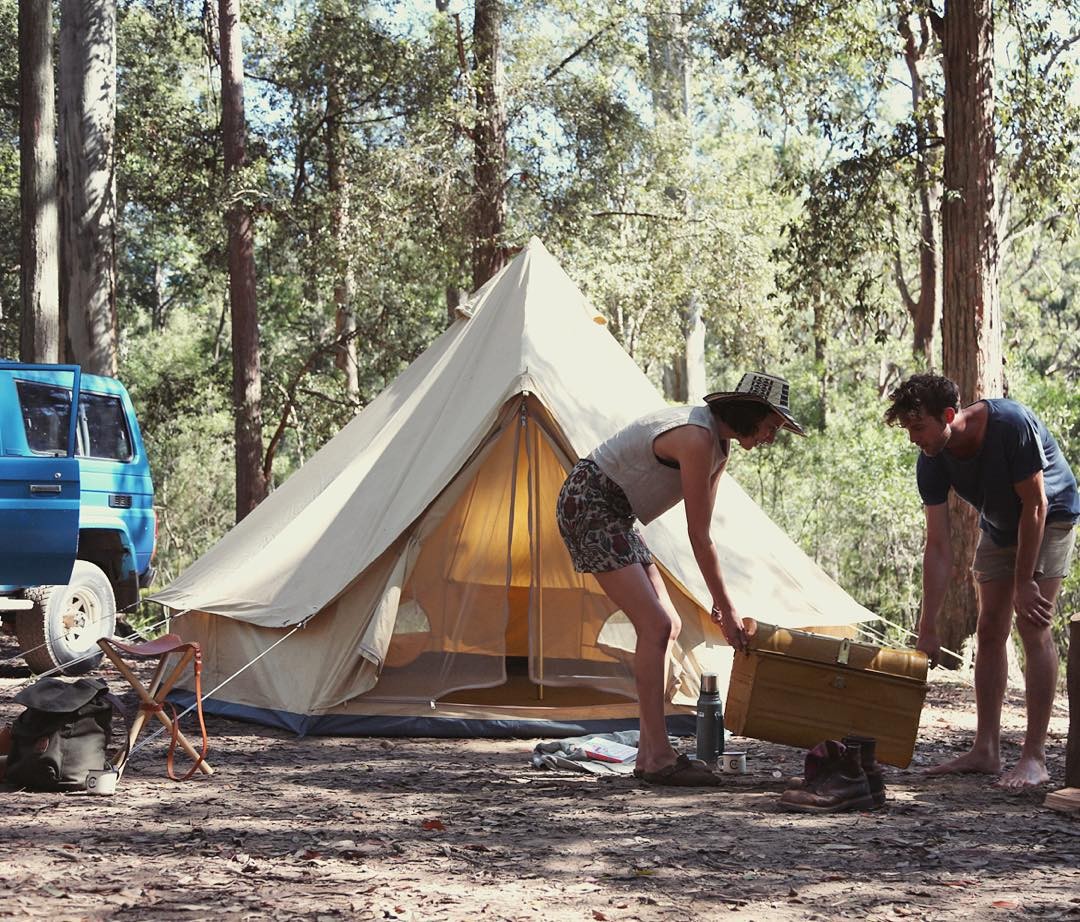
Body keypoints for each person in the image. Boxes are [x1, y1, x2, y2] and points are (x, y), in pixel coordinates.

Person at [556, 371, 805, 786]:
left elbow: (705, 530)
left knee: (667, 624)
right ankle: (656, 758)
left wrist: (722, 604)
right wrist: (725, 608)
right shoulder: (696, 437)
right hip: (590, 502)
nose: (770, 437)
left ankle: (651, 753)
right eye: (770, 426)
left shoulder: (719, 449)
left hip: (618, 514)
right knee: (653, 625)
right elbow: (698, 536)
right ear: (750, 412)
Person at [885, 373, 1079, 790]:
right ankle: (986, 750)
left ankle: (1034, 758)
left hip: (1050, 516)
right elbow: (937, 546)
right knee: (989, 627)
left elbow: (1036, 504)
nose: (912, 438)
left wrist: (1025, 580)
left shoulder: (1010, 426)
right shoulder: (932, 461)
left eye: (918, 427)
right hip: (1000, 525)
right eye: (908, 429)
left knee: (1033, 623)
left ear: (949, 416)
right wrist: (928, 626)